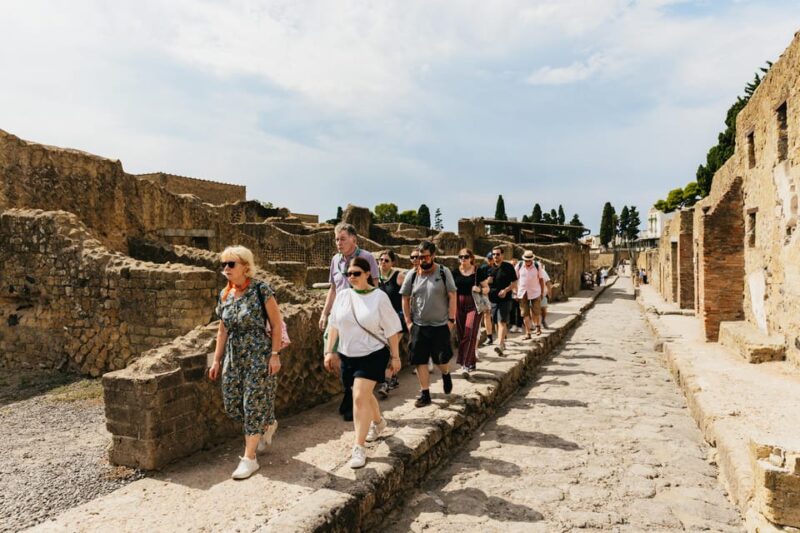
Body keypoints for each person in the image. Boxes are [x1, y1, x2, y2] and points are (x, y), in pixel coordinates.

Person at [209, 246, 283, 480]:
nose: (226, 269)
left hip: (258, 353)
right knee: (233, 403)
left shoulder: (261, 289)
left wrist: (274, 354)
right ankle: (267, 422)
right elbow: (222, 329)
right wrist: (216, 360)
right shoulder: (225, 294)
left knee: (252, 402)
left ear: (245, 266)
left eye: (231, 264)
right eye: (224, 264)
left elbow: (277, 324)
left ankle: (249, 459)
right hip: (234, 355)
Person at [324, 256, 402, 469]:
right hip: (348, 354)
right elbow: (334, 326)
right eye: (348, 274)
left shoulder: (379, 297)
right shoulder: (343, 296)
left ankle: (359, 447)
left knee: (358, 397)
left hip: (372, 354)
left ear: (368, 273)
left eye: (356, 273)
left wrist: (395, 357)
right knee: (364, 396)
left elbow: (392, 329)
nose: (352, 277)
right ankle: (379, 422)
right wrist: (329, 351)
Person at [319, 223, 379, 422]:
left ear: (354, 239)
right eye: (336, 239)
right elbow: (333, 289)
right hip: (339, 316)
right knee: (333, 355)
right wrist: (324, 313)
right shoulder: (335, 260)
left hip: (359, 315)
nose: (338, 243)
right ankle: (350, 391)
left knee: (355, 357)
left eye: (342, 238)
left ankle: (352, 398)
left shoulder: (367, 258)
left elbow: (375, 286)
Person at [400, 240, 457, 408]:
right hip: (419, 325)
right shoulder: (412, 275)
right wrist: (408, 322)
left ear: (433, 256)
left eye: (425, 257)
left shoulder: (443, 272)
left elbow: (452, 295)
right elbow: (405, 297)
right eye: (419, 257)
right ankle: (425, 393)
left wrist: (451, 320)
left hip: (440, 325)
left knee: (441, 360)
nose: (421, 260)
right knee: (420, 360)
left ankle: (446, 374)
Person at [376, 250, 407, 398]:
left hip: (397, 320)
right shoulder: (376, 279)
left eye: (386, 260)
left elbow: (407, 297)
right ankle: (393, 378)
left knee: (390, 350)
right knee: (386, 350)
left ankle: (386, 382)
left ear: (393, 262)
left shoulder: (398, 276)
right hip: (381, 321)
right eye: (381, 260)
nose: (382, 262)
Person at [452, 248, 488, 377]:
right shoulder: (455, 272)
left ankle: (465, 364)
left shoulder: (478, 272)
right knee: (462, 335)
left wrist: (479, 289)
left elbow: (487, 289)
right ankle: (471, 361)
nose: (463, 259)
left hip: (474, 304)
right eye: (460, 256)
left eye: (466, 256)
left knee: (469, 331)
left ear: (471, 258)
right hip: (458, 304)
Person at [487, 246, 517, 355]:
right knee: (495, 322)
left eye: (498, 254)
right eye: (493, 254)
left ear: (502, 255)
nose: (495, 256)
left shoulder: (508, 267)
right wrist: (487, 282)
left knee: (501, 321)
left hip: (505, 299)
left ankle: (499, 344)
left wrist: (506, 290)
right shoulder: (490, 268)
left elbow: (514, 283)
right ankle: (502, 342)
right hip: (493, 300)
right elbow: (485, 284)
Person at [514, 250, 546, 338]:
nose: (528, 262)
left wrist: (542, 292)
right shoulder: (519, 265)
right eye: (526, 260)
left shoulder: (537, 265)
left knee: (536, 312)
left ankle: (538, 327)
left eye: (529, 260)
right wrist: (515, 292)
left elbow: (541, 279)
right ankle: (528, 333)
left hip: (535, 292)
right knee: (525, 313)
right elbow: (514, 280)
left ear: (532, 259)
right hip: (522, 292)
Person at [478, 251, 495, 346]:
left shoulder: (498, 268)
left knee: (495, 316)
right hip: (486, 294)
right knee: (486, 314)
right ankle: (489, 337)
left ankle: (500, 333)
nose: (491, 261)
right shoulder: (483, 268)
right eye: (489, 259)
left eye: (491, 259)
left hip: (496, 294)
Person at [540, 262, 552, 329]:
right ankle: (534, 324)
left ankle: (543, 320)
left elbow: (548, 282)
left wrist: (549, 292)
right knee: (531, 309)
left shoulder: (543, 272)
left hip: (543, 294)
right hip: (532, 294)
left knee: (543, 308)